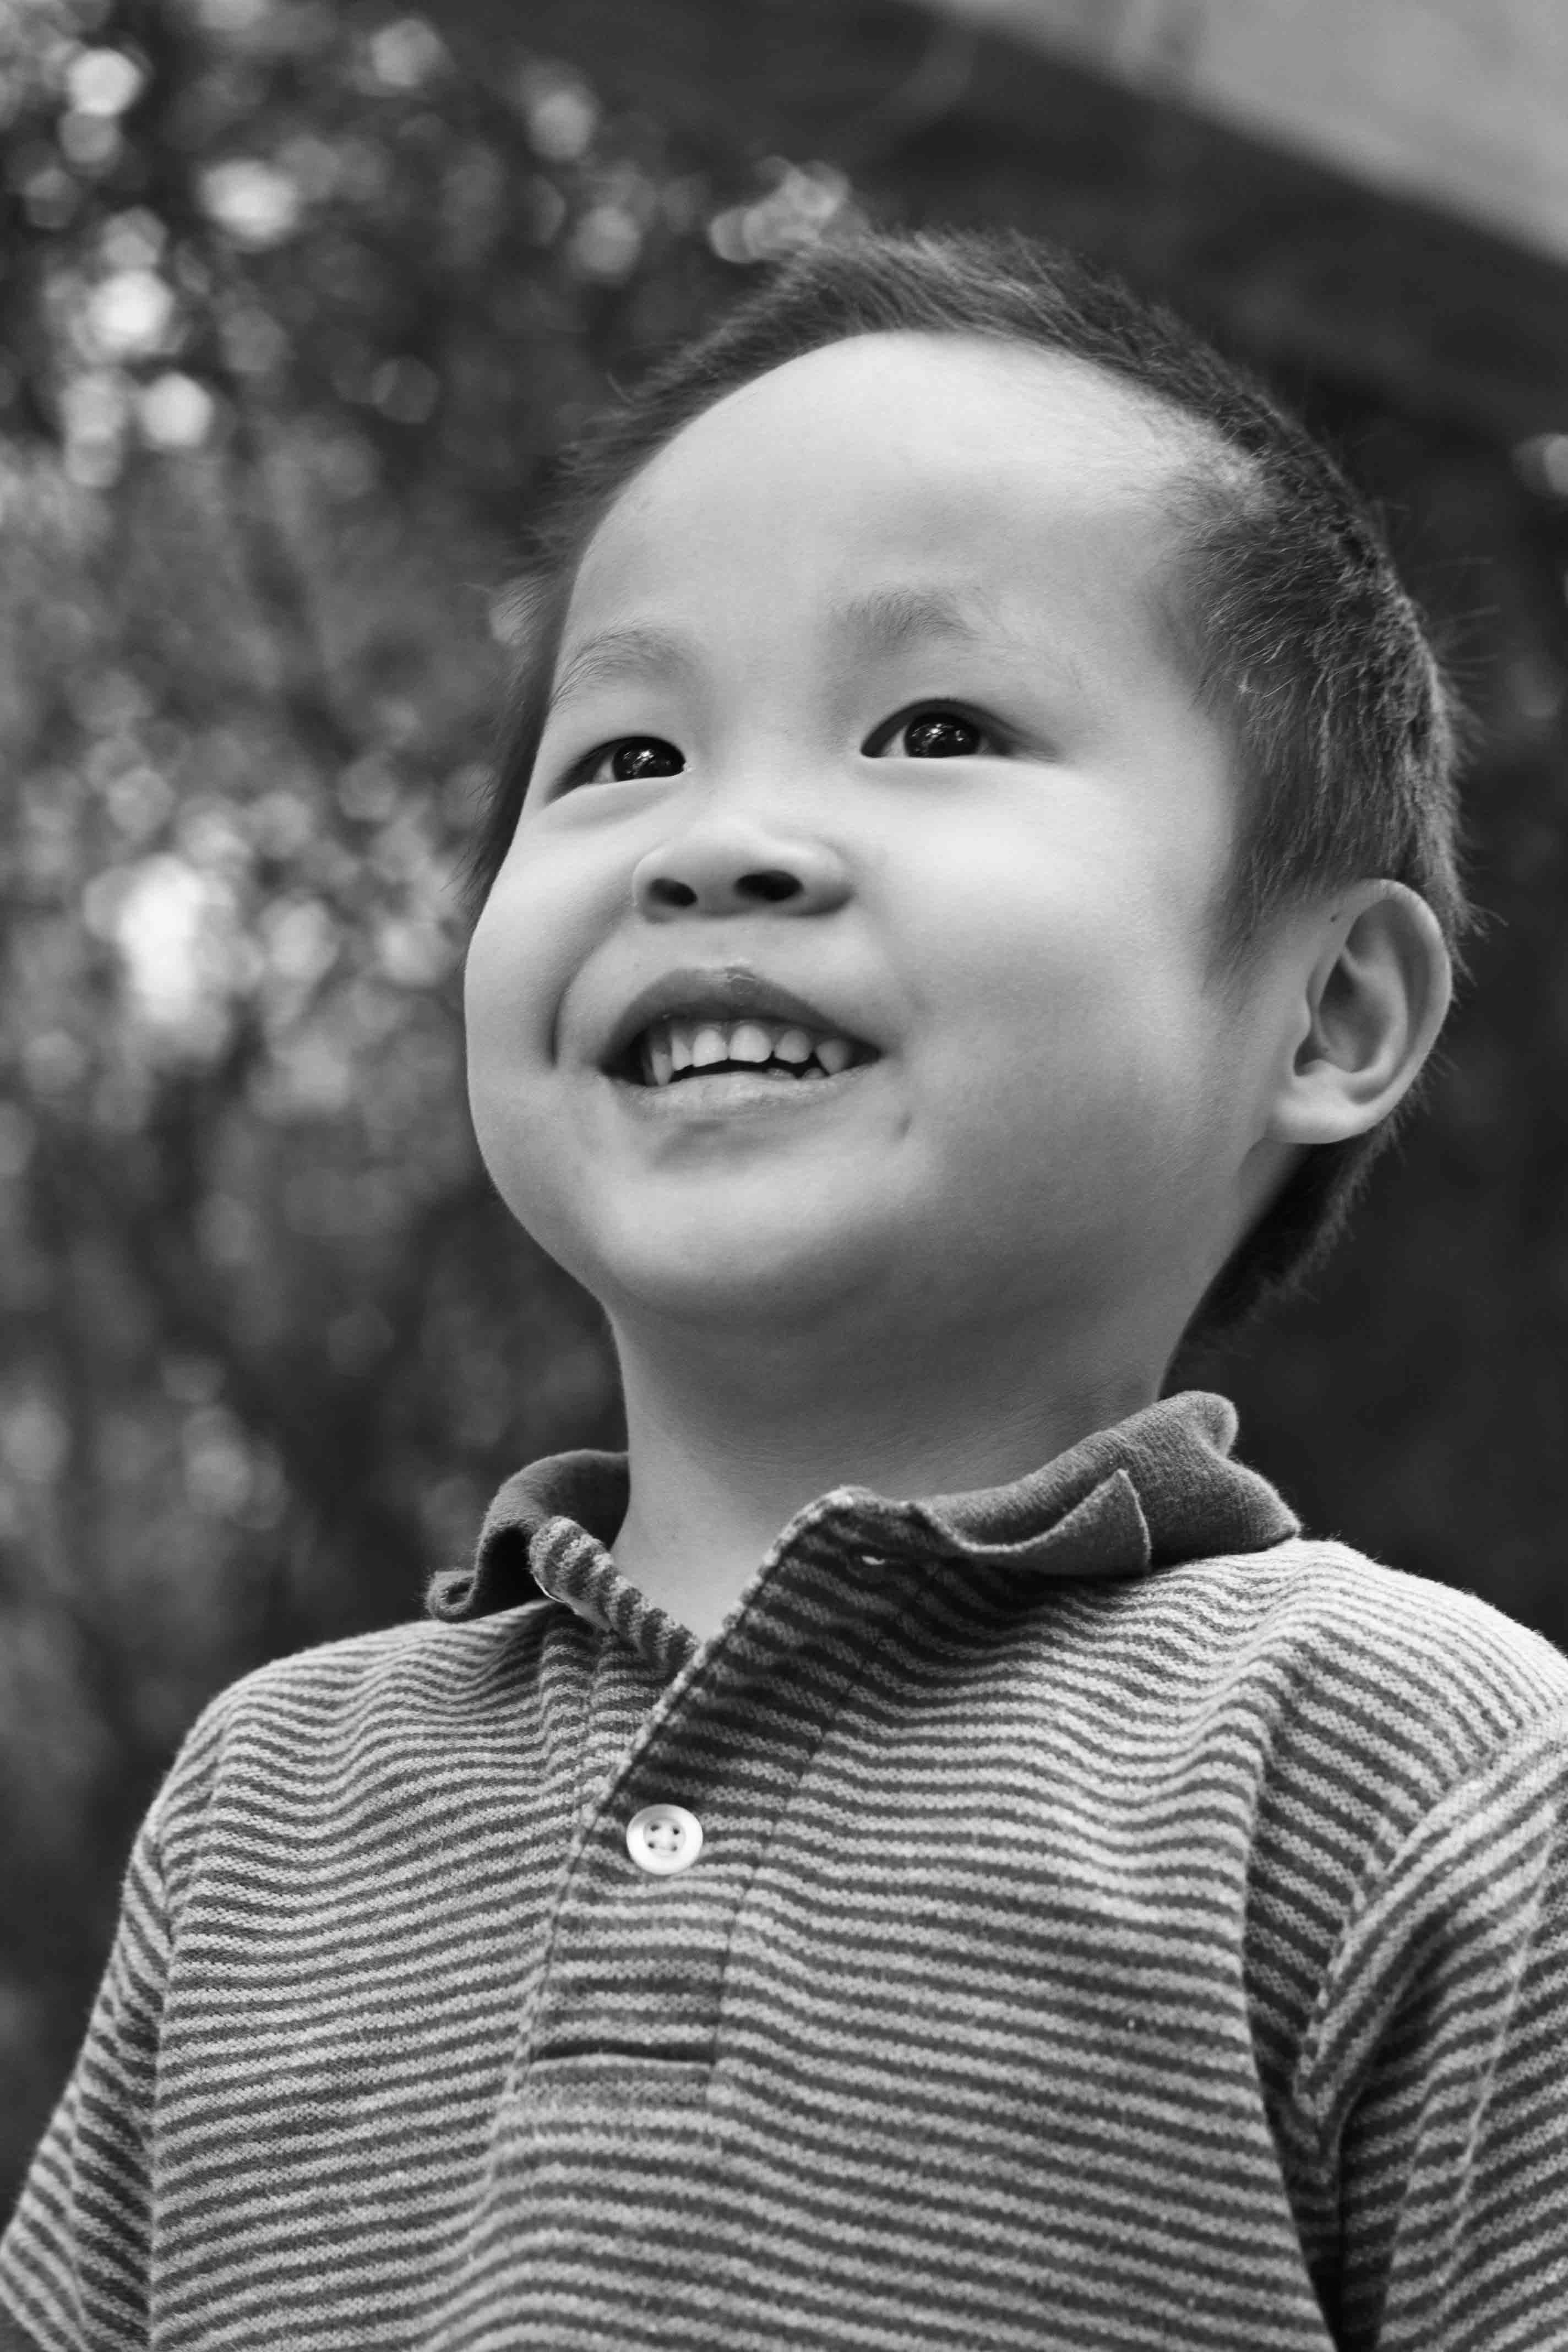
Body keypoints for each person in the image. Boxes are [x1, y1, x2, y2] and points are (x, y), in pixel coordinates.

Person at [2, 227, 1564, 2352]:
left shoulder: (1408, 1776)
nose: (715, 843)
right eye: (625, 757)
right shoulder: (270, 1807)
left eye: (932, 723)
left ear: (1328, 1010)